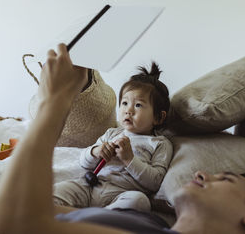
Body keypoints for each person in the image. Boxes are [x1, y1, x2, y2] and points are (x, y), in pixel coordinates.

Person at [0, 44, 245, 234]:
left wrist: (56, 101)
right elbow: (32, 210)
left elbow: (14, 224)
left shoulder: (158, 151)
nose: (202, 173)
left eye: (225, 179)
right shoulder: (153, 225)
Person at [53, 61, 173, 212]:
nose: (128, 110)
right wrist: (95, 151)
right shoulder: (112, 133)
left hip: (120, 194)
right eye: (124, 103)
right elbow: (84, 163)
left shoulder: (159, 143)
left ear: (158, 118)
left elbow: (155, 182)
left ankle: (98, 218)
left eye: (138, 105)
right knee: (54, 192)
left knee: (139, 201)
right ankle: (79, 216)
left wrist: (129, 159)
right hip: (90, 185)